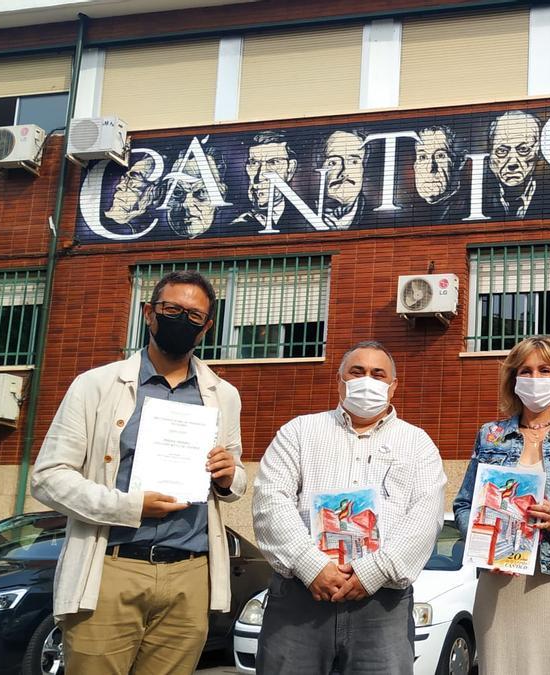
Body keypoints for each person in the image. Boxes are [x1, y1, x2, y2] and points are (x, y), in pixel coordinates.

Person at [31, 270, 246, 674]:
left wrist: (227, 475)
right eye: (171, 309)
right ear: (149, 313)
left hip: (190, 573)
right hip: (112, 568)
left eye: (195, 315)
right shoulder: (95, 385)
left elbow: (236, 477)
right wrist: (129, 506)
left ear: (207, 327)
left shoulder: (223, 395)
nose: (183, 320)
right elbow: (48, 477)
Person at [252, 340, 447, 675]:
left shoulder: (418, 444)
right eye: (357, 372)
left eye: (378, 373)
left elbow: (425, 518)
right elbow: (270, 501)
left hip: (382, 608)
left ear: (393, 386)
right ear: (339, 380)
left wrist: (371, 573)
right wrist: (312, 566)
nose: (367, 380)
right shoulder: (299, 432)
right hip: (300, 601)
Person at [452, 335, 550, 675]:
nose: (536, 378)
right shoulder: (490, 435)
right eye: (526, 370)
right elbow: (464, 504)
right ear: (513, 379)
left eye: (545, 370)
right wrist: (486, 546)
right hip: (500, 584)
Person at [233, 130, 307, 231]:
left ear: (291, 169)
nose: (260, 176)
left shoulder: (304, 221)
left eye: (273, 162)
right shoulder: (236, 226)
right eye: (254, 163)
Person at [319, 129, 368, 230]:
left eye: (354, 162)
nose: (344, 172)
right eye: (333, 163)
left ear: (363, 167)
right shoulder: (300, 218)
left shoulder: (376, 217)